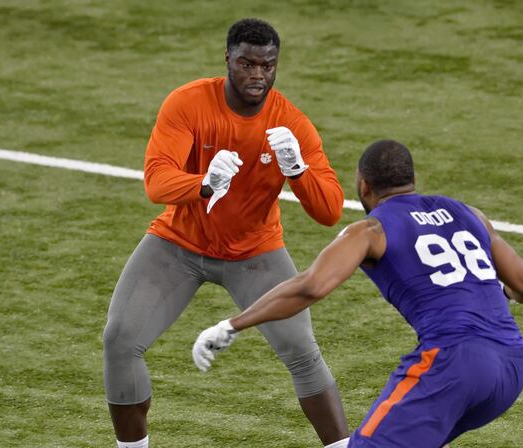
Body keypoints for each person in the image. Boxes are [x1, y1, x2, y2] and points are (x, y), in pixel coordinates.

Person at [193, 139, 523, 447]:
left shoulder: (371, 229)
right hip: (512, 365)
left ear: (363, 185)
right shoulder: (468, 213)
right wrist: (487, 289)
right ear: (413, 181)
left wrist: (233, 324)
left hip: (454, 362)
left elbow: (310, 286)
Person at [102, 18, 349, 448]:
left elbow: (329, 211)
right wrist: (202, 183)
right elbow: (157, 182)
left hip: (255, 253)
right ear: (228, 60)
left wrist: (298, 171)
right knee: (120, 341)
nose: (257, 75)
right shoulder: (187, 103)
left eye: (267, 66)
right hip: (177, 245)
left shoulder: (291, 123)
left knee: (302, 353)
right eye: (247, 64)